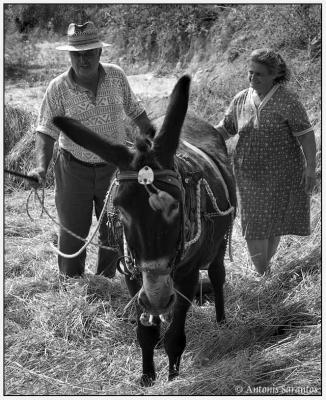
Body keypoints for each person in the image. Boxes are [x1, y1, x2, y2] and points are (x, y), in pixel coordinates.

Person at [28, 21, 154, 278]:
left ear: (100, 53)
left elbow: (137, 113)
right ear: (70, 55)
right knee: (72, 232)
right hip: (74, 168)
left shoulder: (117, 76)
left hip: (114, 170)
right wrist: (41, 167)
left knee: (113, 230)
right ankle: (71, 282)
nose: (83, 59)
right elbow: (45, 130)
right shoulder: (58, 88)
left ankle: (105, 282)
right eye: (77, 54)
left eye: (88, 53)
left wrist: (156, 148)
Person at [215, 48, 316, 275]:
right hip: (248, 174)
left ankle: (264, 272)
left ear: (275, 74)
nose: (252, 78)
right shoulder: (241, 98)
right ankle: (263, 273)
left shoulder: (288, 101)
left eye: (259, 74)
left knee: (273, 222)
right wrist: (198, 137)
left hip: (283, 173)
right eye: (250, 73)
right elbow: (225, 129)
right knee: (253, 225)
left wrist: (311, 169)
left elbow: (307, 135)